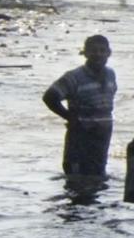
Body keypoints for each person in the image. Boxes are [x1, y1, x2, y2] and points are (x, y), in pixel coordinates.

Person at [42, 34, 117, 177]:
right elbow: (49, 97)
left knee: (98, 180)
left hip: (101, 140)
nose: (98, 54)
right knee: (77, 183)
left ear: (109, 53)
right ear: (85, 53)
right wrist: (70, 117)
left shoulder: (111, 74)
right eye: (93, 50)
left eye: (102, 50)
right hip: (80, 140)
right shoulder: (74, 77)